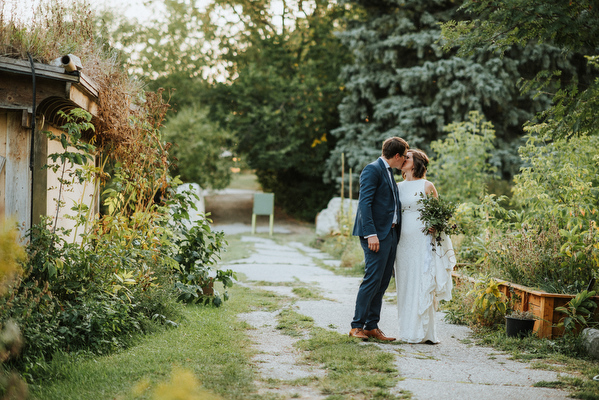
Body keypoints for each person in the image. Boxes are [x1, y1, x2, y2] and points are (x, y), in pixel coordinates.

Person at [349, 137, 409, 341]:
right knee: (372, 279)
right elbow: (364, 204)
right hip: (375, 235)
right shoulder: (372, 169)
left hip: (390, 233)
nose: (405, 161)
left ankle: (371, 326)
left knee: (383, 281)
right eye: (404, 157)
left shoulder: (389, 172)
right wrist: (371, 233)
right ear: (397, 156)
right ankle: (356, 326)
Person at [395, 149, 456, 344]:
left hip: (422, 239)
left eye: (408, 157)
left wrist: (434, 224)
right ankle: (407, 330)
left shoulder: (427, 186)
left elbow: (439, 215)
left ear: (417, 162)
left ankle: (426, 333)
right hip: (402, 242)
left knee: (421, 281)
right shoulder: (397, 186)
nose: (404, 159)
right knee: (405, 283)